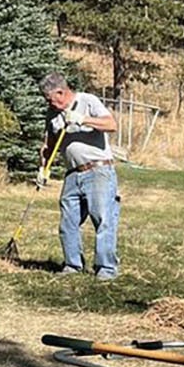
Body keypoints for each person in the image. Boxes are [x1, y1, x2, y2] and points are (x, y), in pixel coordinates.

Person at [39, 72, 121, 280]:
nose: (50, 103)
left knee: (103, 219)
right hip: (72, 175)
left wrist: (82, 119)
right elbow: (48, 146)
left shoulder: (87, 101)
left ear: (61, 91)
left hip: (98, 171)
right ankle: (72, 265)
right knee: (68, 221)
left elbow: (111, 124)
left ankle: (106, 269)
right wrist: (43, 169)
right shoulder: (52, 114)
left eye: (51, 99)